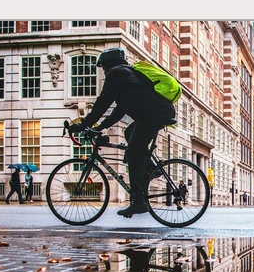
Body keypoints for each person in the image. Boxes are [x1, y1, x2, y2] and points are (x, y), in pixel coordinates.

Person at [68, 48, 176, 218]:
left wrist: (83, 124)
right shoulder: (127, 76)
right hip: (157, 112)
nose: (103, 71)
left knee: (133, 152)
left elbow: (102, 103)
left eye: (103, 67)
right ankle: (152, 168)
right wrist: (98, 127)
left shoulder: (117, 74)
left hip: (155, 114)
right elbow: (118, 111)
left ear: (108, 64)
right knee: (129, 134)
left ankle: (138, 202)